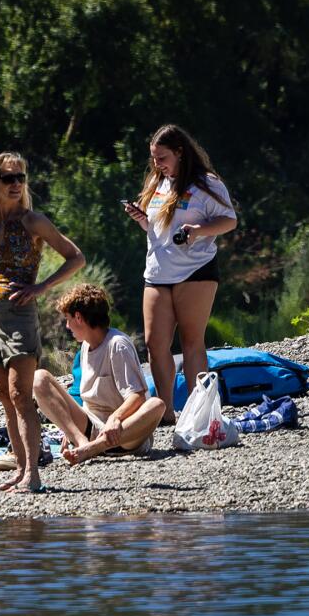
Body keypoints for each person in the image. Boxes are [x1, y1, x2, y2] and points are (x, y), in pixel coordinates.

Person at [0, 152, 85, 494]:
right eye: (8, 179)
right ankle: (20, 467)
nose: (16, 184)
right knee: (4, 395)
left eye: (20, 178)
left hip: (19, 314)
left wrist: (41, 286)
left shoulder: (34, 221)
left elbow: (76, 257)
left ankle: (34, 474)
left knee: (20, 394)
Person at [121, 123, 238, 416]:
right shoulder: (157, 183)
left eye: (162, 158)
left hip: (196, 270)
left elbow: (229, 220)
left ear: (180, 153)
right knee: (154, 343)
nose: (157, 164)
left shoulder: (207, 184)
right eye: (154, 158)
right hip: (158, 271)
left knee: (191, 341)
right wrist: (141, 219)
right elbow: (156, 228)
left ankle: (199, 410)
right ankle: (164, 410)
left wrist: (198, 230)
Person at [33, 283, 169, 465]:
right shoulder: (85, 346)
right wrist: (69, 428)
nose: (67, 326)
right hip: (92, 427)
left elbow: (137, 396)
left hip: (125, 434)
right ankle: (82, 443)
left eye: (68, 319)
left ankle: (94, 448)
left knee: (157, 404)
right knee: (39, 378)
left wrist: (115, 418)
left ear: (79, 317)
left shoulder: (117, 345)